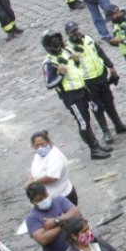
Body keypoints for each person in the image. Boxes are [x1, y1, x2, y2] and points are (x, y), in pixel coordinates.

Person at [42, 30, 113, 160]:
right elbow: (49, 84)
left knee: (92, 113)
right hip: (71, 95)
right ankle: (94, 149)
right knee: (83, 122)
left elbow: (75, 69)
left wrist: (76, 61)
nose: (58, 43)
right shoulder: (49, 62)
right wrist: (61, 75)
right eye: (54, 42)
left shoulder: (66, 51)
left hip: (82, 88)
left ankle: (97, 144)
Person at [66, 21, 126, 143]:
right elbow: (71, 69)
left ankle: (118, 124)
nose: (75, 33)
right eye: (72, 32)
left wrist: (111, 67)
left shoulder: (88, 38)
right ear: (68, 35)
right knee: (97, 106)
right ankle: (106, 131)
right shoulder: (69, 49)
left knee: (109, 101)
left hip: (101, 76)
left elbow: (100, 52)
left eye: (76, 29)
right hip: (88, 81)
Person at [25, 181, 81, 251]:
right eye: (39, 199)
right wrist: (63, 223)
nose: (44, 200)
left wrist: (56, 221)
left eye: (45, 196)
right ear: (32, 202)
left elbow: (77, 213)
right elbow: (43, 239)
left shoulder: (59, 200)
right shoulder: (32, 218)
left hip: (79, 249)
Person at [28, 130, 79, 205]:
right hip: (49, 199)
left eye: (42, 144)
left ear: (48, 142)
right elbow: (34, 171)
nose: (40, 147)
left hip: (63, 197)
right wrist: (30, 179)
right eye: (37, 145)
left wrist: (32, 182)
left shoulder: (55, 156)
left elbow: (52, 177)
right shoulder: (38, 155)